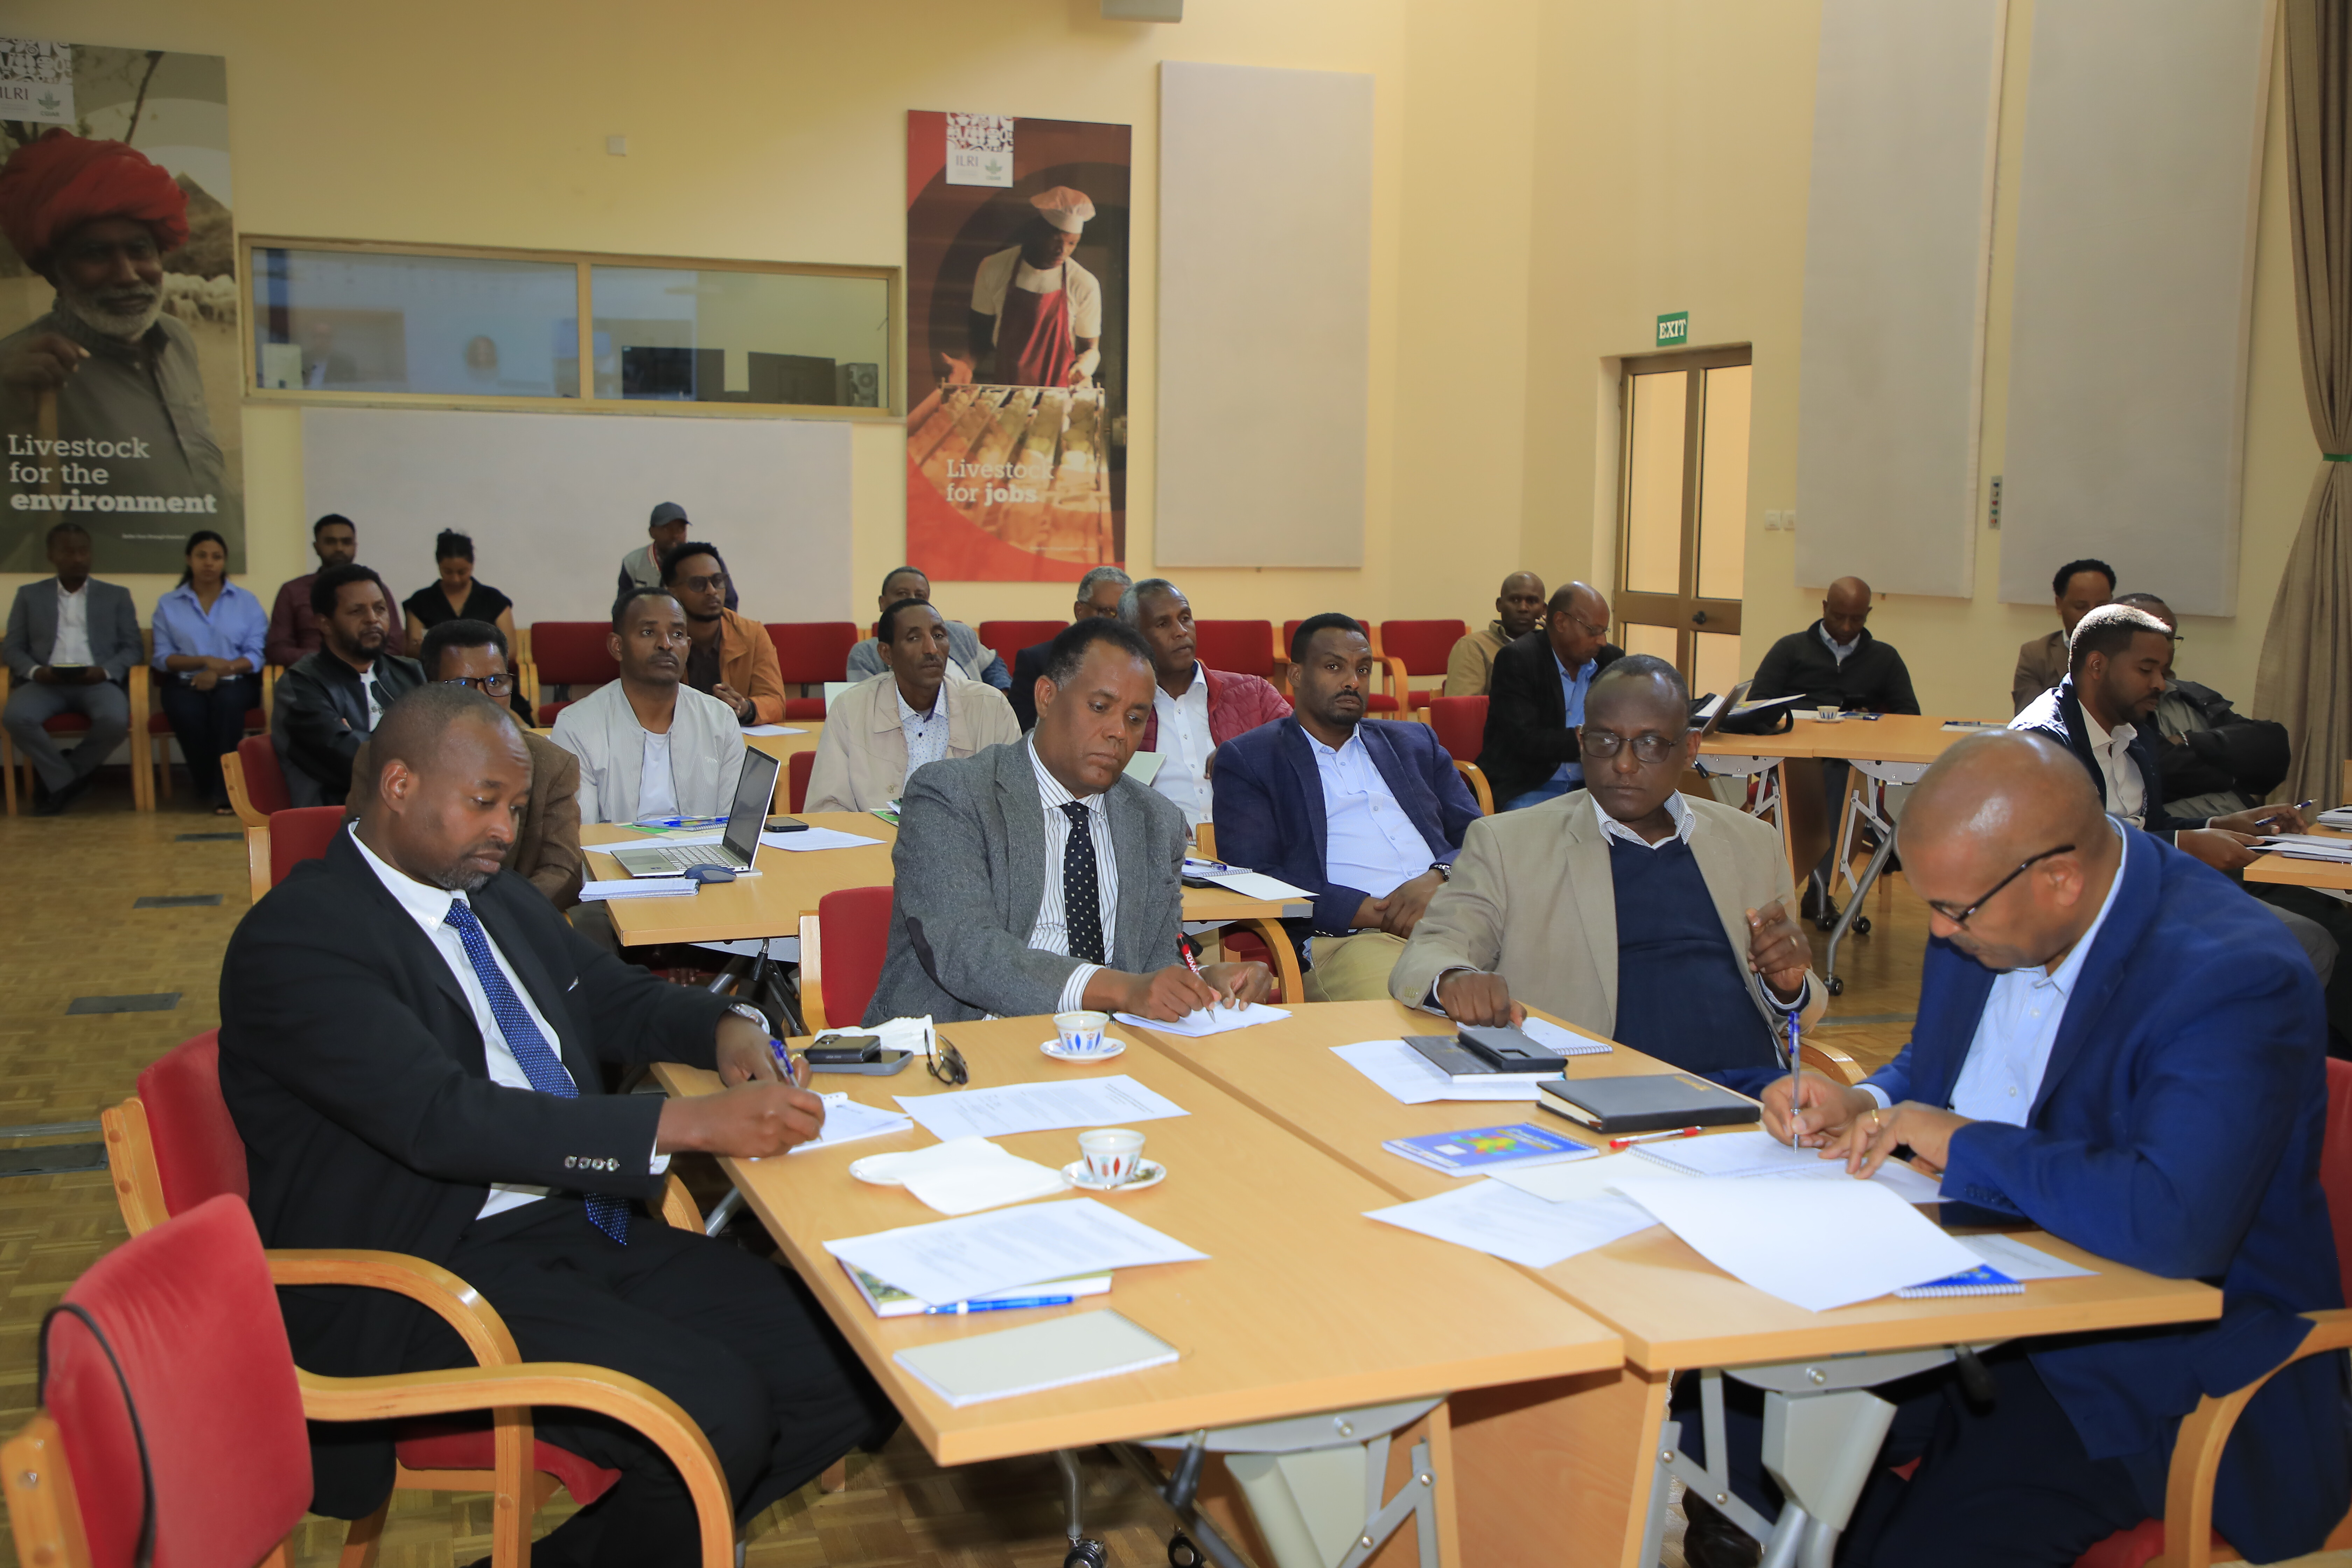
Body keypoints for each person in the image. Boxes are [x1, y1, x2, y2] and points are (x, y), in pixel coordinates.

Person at [219, 684, 896, 1564]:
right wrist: (681, 1127)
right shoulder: (300, 939)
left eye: (516, 806)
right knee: (715, 1410)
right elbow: (440, 1119)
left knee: (862, 1360)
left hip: (572, 1217)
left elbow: (609, 998)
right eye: (484, 804)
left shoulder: (489, 897)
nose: (506, 829)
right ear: (397, 785)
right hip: (425, 1264)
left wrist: (726, 1026)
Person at [1751, 731, 2345, 1568]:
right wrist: (1870, 1098)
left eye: (1952, 912)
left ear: (2060, 879)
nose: (1937, 930)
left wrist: (1960, 1143)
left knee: (1922, 1543)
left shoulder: (2233, 976)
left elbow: (2175, 1224)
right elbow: (1949, 1058)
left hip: (2135, 1366)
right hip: (1963, 1294)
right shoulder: (1988, 905)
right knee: (1744, 1435)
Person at [1395, 657, 1820, 1093]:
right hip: (1607, 1094)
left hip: (1763, 1095)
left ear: (1690, 748)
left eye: (1651, 743)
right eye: (1605, 740)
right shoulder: (1508, 844)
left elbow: (1799, 1011)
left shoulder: (1752, 842)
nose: (1623, 763)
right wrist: (1452, 978)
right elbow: (1432, 948)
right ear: (1581, 742)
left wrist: (1786, 987)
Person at [866, 618, 1274, 1024]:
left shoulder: (1156, 820)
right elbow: (966, 951)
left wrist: (1202, 981)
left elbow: (1154, 963)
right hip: (967, 1045)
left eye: (1136, 718)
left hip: (1110, 1051)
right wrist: (1120, 990)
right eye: (1100, 707)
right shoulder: (953, 794)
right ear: (1046, 697)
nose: (1118, 732)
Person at [2010, 603, 2336, 981]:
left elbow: (2149, 825)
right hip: (2086, 911)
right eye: (2146, 670)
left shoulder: (2134, 732)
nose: (2160, 684)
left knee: (2311, 941)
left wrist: (2222, 823)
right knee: (2283, 948)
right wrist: (2186, 843)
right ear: (2097, 666)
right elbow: (2068, 851)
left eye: (2163, 671)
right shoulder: (2043, 743)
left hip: (2150, 885)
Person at [1213, 615, 1483, 1001]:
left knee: (1556, 986)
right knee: (1429, 1014)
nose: (1353, 681)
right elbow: (1259, 879)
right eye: (1334, 667)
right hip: (1351, 941)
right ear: (1296, 675)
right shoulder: (1251, 758)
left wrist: (1439, 878)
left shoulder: (1414, 741)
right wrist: (1388, 912)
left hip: (1460, 916)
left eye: (1362, 669)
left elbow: (1479, 836)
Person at [0, 131, 226, 568]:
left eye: (139, 250)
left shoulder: (177, 338)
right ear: (53, 269)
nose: (126, 274)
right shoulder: (18, 371)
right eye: (95, 253)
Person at [349, 619, 584, 909]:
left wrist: (488, 918)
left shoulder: (553, 765)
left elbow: (564, 872)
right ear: (431, 689)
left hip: (509, 924)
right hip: (402, 925)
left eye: (496, 682)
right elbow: (362, 859)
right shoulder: (382, 757)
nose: (483, 698)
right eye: (463, 685)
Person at [550, 587, 746, 827]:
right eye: (648, 632)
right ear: (617, 647)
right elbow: (583, 837)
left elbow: (730, 829)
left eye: (677, 635)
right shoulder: (577, 726)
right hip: (610, 862)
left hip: (703, 860)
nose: (666, 645)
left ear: (689, 646)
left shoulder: (720, 720)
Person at [806, 598, 1018, 813]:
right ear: (886, 654)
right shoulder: (850, 709)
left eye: (939, 636)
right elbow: (826, 808)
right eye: (914, 638)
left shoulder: (990, 707)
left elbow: (1017, 802)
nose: (932, 649)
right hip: (876, 844)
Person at [1119, 577, 1292, 831]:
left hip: (1253, 847)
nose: (1181, 631)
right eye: (1163, 624)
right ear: (1134, 638)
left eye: (1185, 617)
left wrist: (1247, 751)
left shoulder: (1254, 692)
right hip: (1167, 858)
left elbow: (1302, 746)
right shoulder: (1119, 709)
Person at [2112, 592, 2291, 821]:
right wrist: (2233, 773)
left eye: (2170, 637)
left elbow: (2272, 748)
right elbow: (2156, 773)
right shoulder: (2113, 703)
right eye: (2154, 635)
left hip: (2249, 832)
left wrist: (2192, 741)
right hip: (2181, 841)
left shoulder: (2190, 694)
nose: (2164, 647)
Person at [1, 520, 140, 814]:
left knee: (115, 721)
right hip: (44, 681)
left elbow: (133, 648)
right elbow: (12, 648)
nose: (78, 558)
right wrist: (37, 672)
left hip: (97, 681)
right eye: (69, 552)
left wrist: (103, 671)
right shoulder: (29, 595)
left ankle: (62, 778)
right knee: (16, 717)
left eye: (83, 552)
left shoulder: (117, 595)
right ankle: (67, 781)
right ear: (51, 555)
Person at [272, 564, 425, 807]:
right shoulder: (301, 685)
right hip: (336, 821)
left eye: (380, 609)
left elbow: (445, 742)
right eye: (357, 612)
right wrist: (419, 747)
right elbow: (348, 760)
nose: (373, 619)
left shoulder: (411, 673)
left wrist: (358, 736)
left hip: (413, 812)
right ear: (325, 624)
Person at [1476, 582, 1624, 811]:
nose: (1602, 641)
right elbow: (1523, 740)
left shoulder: (1611, 661)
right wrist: (1590, 740)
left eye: (1605, 631)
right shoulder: (1518, 659)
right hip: (1528, 785)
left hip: (1593, 787)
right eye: (1593, 631)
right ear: (1561, 622)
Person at [150, 528, 267, 814]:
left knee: (228, 706)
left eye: (217, 557)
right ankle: (207, 783)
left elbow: (255, 654)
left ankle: (227, 792)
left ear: (224, 561)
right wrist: (203, 662)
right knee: (187, 712)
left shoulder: (246, 602)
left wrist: (221, 669)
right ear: (189, 559)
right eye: (202, 556)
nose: (209, 563)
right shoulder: (169, 604)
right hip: (185, 683)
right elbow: (162, 658)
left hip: (236, 681)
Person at [943, 187, 1104, 390]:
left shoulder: (1083, 284)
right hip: (1006, 395)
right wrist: (967, 364)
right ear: (1038, 232)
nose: (1062, 251)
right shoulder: (994, 268)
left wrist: (1084, 368)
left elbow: (1091, 349)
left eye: (1072, 244)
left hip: (1060, 401)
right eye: (1056, 240)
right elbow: (980, 338)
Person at [1746, 575, 1920, 715]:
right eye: (1838, 617)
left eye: (1857, 619)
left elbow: (1910, 714)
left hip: (1857, 748)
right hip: (1796, 744)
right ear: (1825, 608)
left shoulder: (1885, 657)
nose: (1846, 627)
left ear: (1868, 614)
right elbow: (1756, 703)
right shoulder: (1789, 649)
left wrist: (1873, 720)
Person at [660, 540, 784, 726]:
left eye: (718, 581)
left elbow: (775, 701)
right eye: (698, 584)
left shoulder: (752, 634)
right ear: (673, 593)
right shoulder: (660, 639)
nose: (712, 592)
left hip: (732, 740)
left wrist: (745, 708)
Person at [266, 514, 404, 668]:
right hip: (311, 674)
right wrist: (329, 661)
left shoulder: (375, 588)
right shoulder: (292, 591)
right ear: (316, 547)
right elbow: (278, 649)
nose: (339, 549)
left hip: (370, 672)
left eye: (346, 542)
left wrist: (361, 662)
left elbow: (394, 644)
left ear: (355, 546)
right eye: (331, 542)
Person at [846, 565, 1009, 689]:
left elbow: (993, 665)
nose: (911, 600)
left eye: (920, 596)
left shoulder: (958, 633)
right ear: (883, 603)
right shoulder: (865, 654)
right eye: (902, 594)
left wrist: (1001, 694)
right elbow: (863, 707)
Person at [1009, 565, 1130, 729]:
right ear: (1079, 611)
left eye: (1123, 614)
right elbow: (1023, 729)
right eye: (1107, 611)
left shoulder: (1137, 663)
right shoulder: (1037, 661)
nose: (1116, 622)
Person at [2012, 558, 2115, 715]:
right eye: (2081, 607)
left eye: (2102, 606)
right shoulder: (2036, 655)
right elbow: (2030, 722)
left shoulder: (2128, 652)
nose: (2093, 615)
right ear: (2059, 605)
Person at [400, 529, 517, 652]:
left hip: (485, 669)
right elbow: (413, 651)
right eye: (448, 572)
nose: (455, 579)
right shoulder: (420, 602)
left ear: (472, 565)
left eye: (462, 572)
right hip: (436, 670)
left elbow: (511, 651)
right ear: (439, 565)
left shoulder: (494, 600)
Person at [1444, 570, 1548, 698]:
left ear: (1544, 610)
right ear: (1500, 605)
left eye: (1532, 601)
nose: (1523, 608)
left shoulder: (1553, 648)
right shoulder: (1474, 646)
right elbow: (1462, 709)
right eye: (1515, 600)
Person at [615, 501, 734, 609]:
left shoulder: (709, 561)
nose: (675, 535)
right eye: (667, 529)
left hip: (697, 629)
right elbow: (622, 608)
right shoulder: (633, 563)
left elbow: (730, 602)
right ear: (652, 532)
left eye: (680, 529)